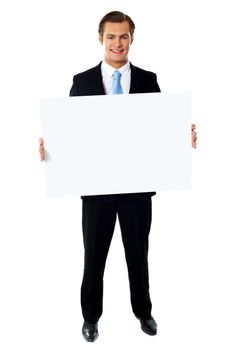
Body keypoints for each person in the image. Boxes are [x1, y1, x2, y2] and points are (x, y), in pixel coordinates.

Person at [39, 11, 197, 342]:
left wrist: (182, 140)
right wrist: (50, 151)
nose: (117, 43)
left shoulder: (148, 80)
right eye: (111, 36)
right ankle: (90, 318)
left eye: (123, 36)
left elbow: (160, 131)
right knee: (93, 258)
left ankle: (144, 312)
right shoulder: (81, 82)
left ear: (132, 39)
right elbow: (70, 134)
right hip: (96, 191)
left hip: (137, 189)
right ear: (101, 39)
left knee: (138, 255)